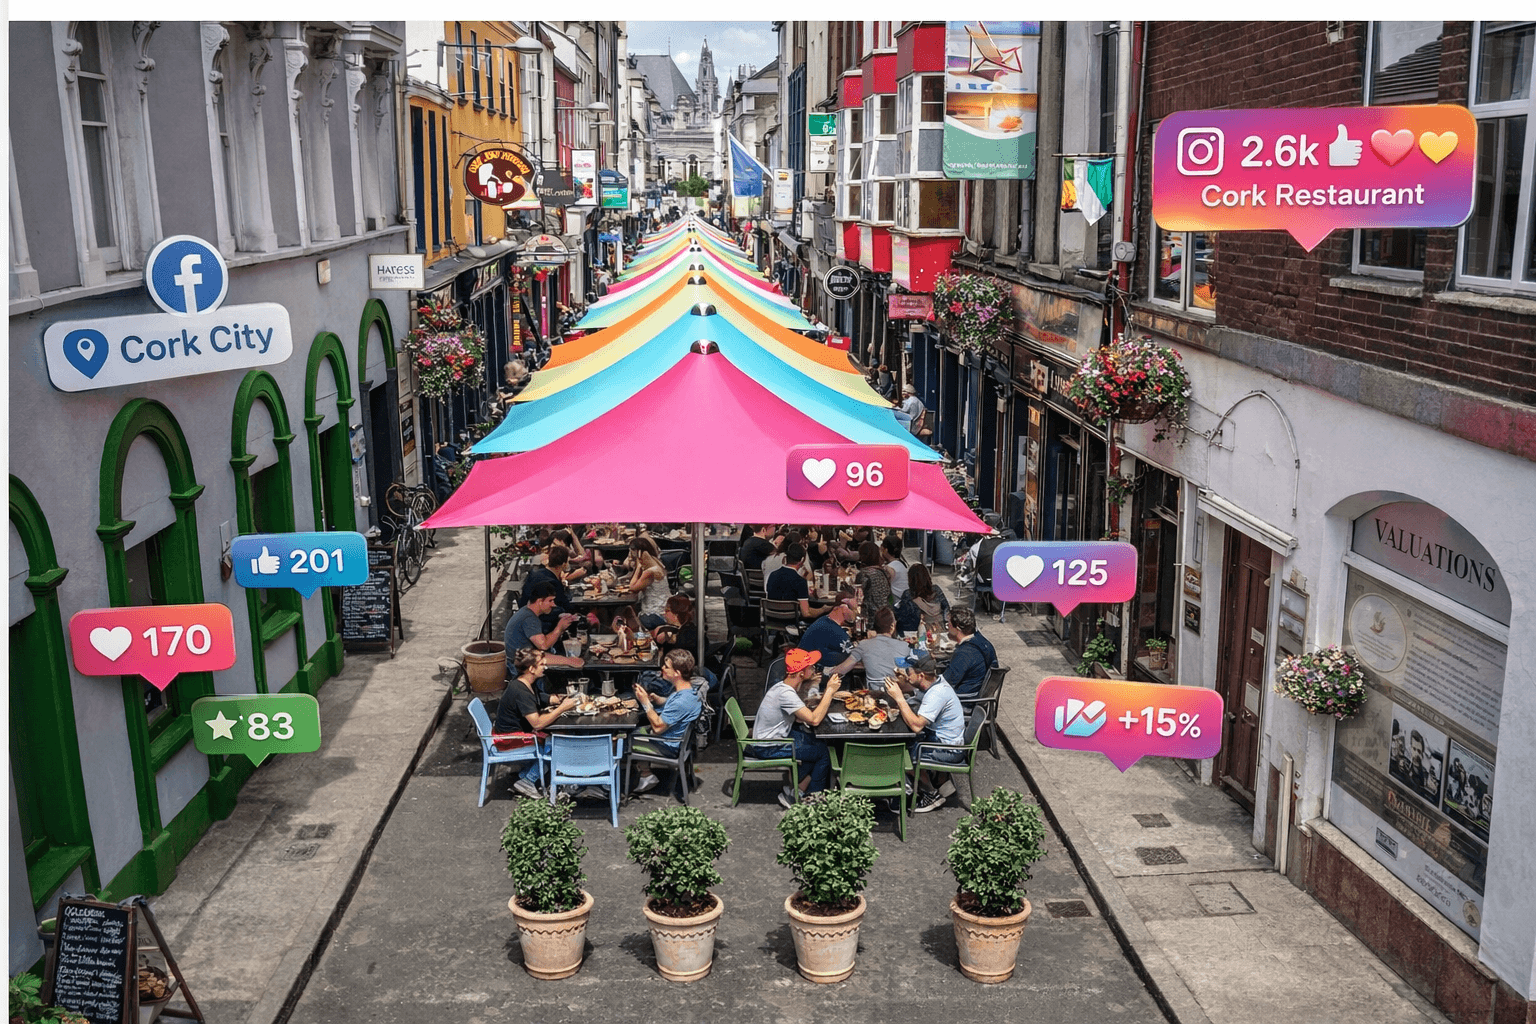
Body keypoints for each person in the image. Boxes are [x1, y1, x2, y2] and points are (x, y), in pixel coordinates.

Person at [746, 648, 843, 807]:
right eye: (810, 667)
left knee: (817, 743)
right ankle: (811, 800)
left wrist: (810, 685)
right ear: (801, 673)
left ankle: (797, 791)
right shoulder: (786, 694)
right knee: (822, 754)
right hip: (768, 746)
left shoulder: (782, 687)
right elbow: (814, 720)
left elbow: (799, 715)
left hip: (770, 740)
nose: (813, 669)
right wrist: (830, 691)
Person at [883, 653, 966, 812]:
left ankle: (930, 794)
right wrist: (905, 681)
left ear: (921, 675)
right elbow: (916, 690)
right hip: (943, 739)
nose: (906, 673)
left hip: (949, 749)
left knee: (903, 755)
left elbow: (916, 726)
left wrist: (899, 698)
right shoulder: (934, 682)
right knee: (906, 743)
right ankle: (940, 784)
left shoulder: (936, 694)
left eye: (909, 671)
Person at [492, 648, 580, 798]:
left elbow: (538, 697)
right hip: (510, 739)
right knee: (558, 742)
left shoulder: (525, 682)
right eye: (542, 664)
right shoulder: (521, 691)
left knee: (560, 734)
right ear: (531, 669)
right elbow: (537, 724)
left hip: (511, 733)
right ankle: (527, 780)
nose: (545, 667)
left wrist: (555, 699)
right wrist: (561, 708)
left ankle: (530, 773)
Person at [628, 650, 706, 796]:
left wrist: (645, 703)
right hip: (677, 740)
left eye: (666, 666)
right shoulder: (687, 691)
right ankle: (645, 773)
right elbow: (672, 704)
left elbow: (658, 728)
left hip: (668, 745)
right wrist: (657, 699)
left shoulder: (682, 701)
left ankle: (646, 775)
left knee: (626, 738)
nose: (662, 668)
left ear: (676, 673)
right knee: (637, 730)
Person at [504, 583, 583, 673]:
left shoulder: (526, 612)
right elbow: (543, 645)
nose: (554, 605)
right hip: (521, 669)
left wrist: (561, 627)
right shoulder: (529, 618)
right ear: (540, 601)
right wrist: (559, 628)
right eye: (550, 601)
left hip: (525, 660)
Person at [825, 608, 911, 689]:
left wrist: (827, 672)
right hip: (898, 693)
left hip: (873, 695)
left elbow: (843, 668)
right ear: (892, 626)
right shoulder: (905, 646)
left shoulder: (863, 645)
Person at [940, 607, 997, 699]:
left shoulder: (965, 653)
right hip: (976, 693)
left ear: (957, 627)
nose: (947, 629)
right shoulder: (983, 642)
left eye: (948, 624)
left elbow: (946, 683)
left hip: (964, 700)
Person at [522, 543, 583, 629]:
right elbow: (564, 606)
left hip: (526, 616)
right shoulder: (553, 583)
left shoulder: (536, 574)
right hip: (543, 622)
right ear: (564, 564)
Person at [766, 544, 830, 620]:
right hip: (791, 621)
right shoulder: (800, 581)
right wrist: (823, 609)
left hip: (772, 618)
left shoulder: (772, 575)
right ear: (802, 560)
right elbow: (806, 613)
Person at [799, 589, 859, 668]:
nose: (856, 613)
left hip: (808, 666)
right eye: (852, 609)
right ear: (843, 607)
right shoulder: (835, 632)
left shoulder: (824, 620)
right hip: (813, 672)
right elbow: (853, 657)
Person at [621, 535, 672, 627]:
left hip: (654, 615)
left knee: (624, 614)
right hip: (664, 611)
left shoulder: (649, 572)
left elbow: (632, 587)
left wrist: (638, 567)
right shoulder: (659, 565)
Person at [896, 563, 950, 634]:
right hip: (939, 628)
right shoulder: (936, 590)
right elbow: (946, 607)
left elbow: (904, 615)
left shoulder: (908, 594)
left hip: (920, 630)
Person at [651, 594, 699, 659]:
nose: (664, 613)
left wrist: (667, 636)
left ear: (676, 615)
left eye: (667, 610)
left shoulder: (688, 633)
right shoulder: (688, 627)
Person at [856, 541, 893, 623]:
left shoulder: (863, 574)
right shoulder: (885, 573)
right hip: (887, 617)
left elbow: (857, 597)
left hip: (871, 619)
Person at [882, 533, 910, 597]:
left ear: (885, 550)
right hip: (904, 600)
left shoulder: (889, 568)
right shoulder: (902, 564)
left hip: (895, 603)